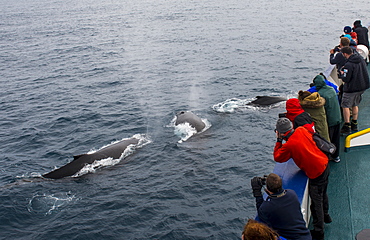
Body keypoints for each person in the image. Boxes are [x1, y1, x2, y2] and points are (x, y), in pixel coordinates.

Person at [273, 118, 330, 240]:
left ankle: (319, 232)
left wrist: (279, 141)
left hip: (316, 173)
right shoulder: (301, 130)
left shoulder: (289, 145)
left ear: (280, 133)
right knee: (323, 193)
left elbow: (277, 157)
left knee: (316, 203)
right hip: (324, 163)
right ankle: (326, 215)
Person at [251, 173, 311, 240]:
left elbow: (261, 212)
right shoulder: (292, 194)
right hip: (306, 236)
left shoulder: (267, 207)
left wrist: (257, 193)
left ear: (267, 189)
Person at [339, 46, 370, 134]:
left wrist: (341, 74)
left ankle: (347, 125)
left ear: (345, 54)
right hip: (361, 87)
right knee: (355, 104)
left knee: (345, 106)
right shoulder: (360, 60)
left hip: (351, 89)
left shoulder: (348, 65)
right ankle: (354, 123)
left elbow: (346, 79)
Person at [312, 74, 342, 162]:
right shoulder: (331, 89)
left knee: (328, 140)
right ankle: (336, 156)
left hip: (330, 121)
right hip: (338, 118)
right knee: (336, 139)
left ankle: (327, 157)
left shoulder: (320, 94)